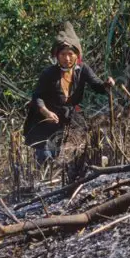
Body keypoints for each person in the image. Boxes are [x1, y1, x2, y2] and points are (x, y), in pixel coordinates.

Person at [24, 22, 115, 163]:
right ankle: (38, 181)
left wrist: (107, 84)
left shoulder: (83, 70)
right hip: (43, 120)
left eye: (70, 54)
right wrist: (46, 112)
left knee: (54, 154)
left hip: (61, 122)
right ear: (57, 55)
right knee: (44, 155)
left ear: (76, 55)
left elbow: (97, 86)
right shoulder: (49, 73)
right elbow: (37, 97)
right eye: (63, 54)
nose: (67, 58)